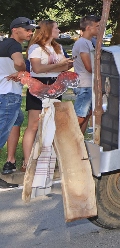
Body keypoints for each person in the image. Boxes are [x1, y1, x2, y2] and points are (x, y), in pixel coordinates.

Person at [24, 21, 73, 168]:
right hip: (38, 85)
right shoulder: (35, 48)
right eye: (56, 28)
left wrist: (63, 65)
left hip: (55, 86)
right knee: (34, 124)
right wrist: (59, 65)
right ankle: (27, 160)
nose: (58, 30)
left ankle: (48, 158)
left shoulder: (57, 47)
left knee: (52, 123)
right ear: (48, 30)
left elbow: (66, 66)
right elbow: (38, 69)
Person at [0, 18, 35, 186]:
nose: (30, 32)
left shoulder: (4, 44)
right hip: (9, 95)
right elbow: (19, 62)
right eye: (27, 29)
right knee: (1, 133)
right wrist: (23, 71)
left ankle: (11, 159)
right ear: (15, 30)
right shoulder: (14, 45)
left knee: (18, 119)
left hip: (3, 93)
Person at [71, 15, 100, 133]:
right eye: (97, 26)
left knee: (86, 116)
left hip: (89, 84)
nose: (99, 29)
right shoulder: (82, 43)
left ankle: (79, 142)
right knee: (80, 116)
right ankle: (69, 141)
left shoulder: (88, 42)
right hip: (84, 84)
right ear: (88, 27)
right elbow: (89, 66)